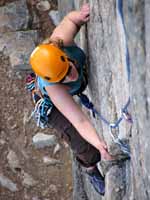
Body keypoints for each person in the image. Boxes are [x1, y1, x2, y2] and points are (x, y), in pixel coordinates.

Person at [29, 3, 113, 196]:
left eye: (68, 69)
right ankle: (90, 169)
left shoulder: (60, 42)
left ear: (63, 56)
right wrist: (99, 144)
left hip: (51, 76)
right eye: (63, 78)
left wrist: (80, 15)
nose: (70, 76)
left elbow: (71, 20)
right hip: (50, 106)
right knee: (85, 147)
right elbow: (79, 120)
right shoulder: (54, 88)